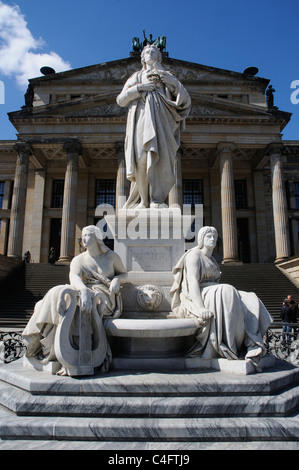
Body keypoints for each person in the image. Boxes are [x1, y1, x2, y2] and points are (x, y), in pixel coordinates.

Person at [22, 225, 128, 374]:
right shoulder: (79, 259)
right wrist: (83, 289)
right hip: (83, 291)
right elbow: (74, 277)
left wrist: (117, 280)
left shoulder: (111, 257)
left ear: (97, 238)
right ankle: (42, 342)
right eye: (82, 236)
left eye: (86, 236)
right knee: (57, 293)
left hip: (103, 296)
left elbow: (124, 274)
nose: (83, 239)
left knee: (70, 300)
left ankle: (47, 345)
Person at [170, 226, 273, 369]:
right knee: (227, 290)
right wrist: (200, 308)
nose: (212, 239)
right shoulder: (194, 255)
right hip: (200, 294)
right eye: (208, 236)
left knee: (250, 298)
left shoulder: (211, 259)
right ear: (200, 239)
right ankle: (229, 346)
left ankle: (251, 343)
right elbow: (192, 282)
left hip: (214, 292)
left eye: (214, 236)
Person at [116, 44, 191, 209]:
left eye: (153, 52)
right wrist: (140, 88)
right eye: (146, 52)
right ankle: (143, 201)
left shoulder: (167, 76)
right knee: (141, 158)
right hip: (141, 119)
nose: (149, 54)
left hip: (162, 122)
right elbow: (121, 100)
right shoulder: (137, 76)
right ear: (142, 58)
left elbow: (184, 100)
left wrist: (172, 83)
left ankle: (157, 199)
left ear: (159, 57)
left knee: (160, 161)